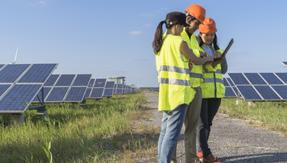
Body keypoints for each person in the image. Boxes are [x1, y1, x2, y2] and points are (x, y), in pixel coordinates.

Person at [153, 11, 213, 163]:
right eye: (182, 26)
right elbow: (195, 60)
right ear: (178, 25)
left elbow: (177, 63)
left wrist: (189, 64)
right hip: (179, 95)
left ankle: (161, 160)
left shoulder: (161, 41)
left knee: (165, 131)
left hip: (166, 94)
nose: (183, 30)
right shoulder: (179, 41)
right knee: (172, 135)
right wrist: (207, 58)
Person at [171, 4, 207, 163]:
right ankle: (171, 160)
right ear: (189, 18)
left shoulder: (193, 38)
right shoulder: (179, 36)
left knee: (191, 128)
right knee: (175, 128)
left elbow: (194, 59)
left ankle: (190, 160)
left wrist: (200, 56)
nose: (199, 27)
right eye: (197, 23)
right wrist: (199, 59)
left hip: (195, 87)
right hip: (182, 88)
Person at [197, 17, 227, 163]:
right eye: (206, 34)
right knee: (202, 125)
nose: (209, 37)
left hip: (216, 93)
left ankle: (201, 151)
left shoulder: (218, 50)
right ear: (200, 33)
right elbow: (197, 67)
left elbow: (224, 70)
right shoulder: (196, 49)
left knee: (208, 124)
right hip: (202, 92)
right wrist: (208, 59)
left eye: (212, 34)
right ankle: (205, 154)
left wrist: (221, 58)